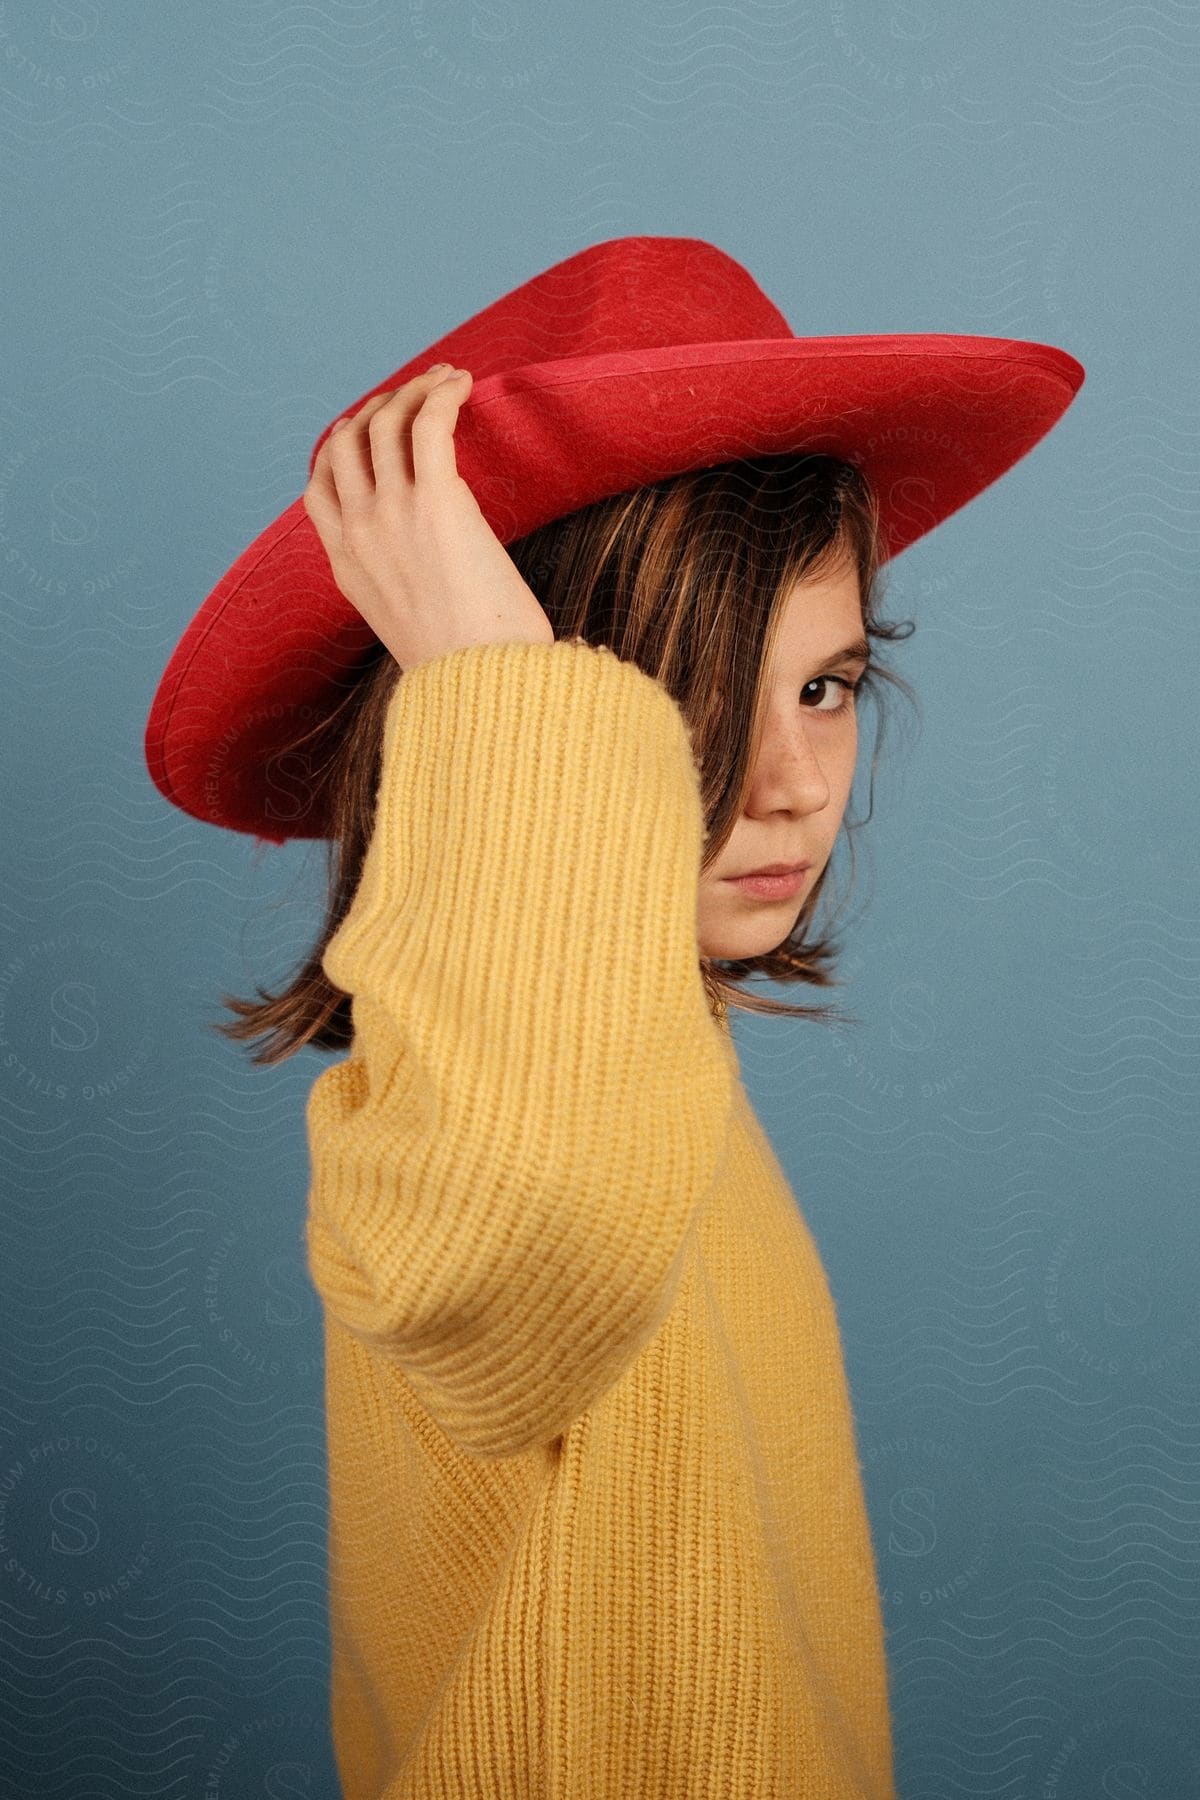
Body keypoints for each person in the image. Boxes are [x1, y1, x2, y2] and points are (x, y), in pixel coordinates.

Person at [146, 235, 1084, 1798]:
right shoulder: (463, 1112)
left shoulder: (659, 1065)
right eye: (673, 696)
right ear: (506, 721)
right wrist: (499, 677)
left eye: (826, 685)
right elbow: (522, 1268)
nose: (793, 784)